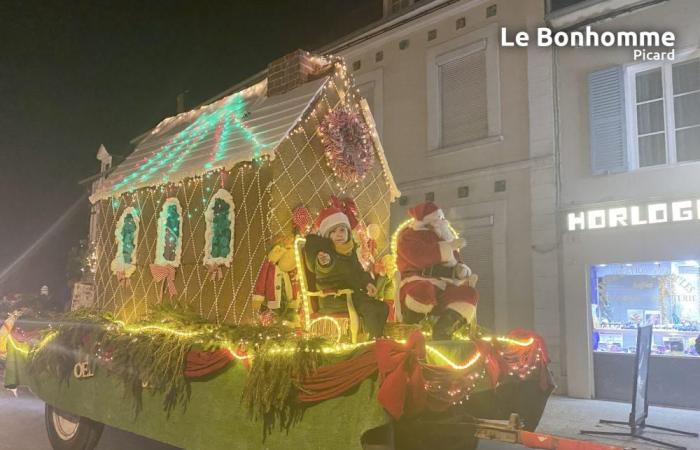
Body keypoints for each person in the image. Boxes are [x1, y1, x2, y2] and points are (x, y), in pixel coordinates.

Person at [396, 201, 479, 340]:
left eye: (441, 218)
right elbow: (420, 257)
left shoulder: (444, 236)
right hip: (418, 280)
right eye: (438, 219)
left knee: (469, 294)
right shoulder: (409, 236)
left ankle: (442, 331)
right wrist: (448, 247)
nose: (442, 221)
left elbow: (457, 262)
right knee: (423, 290)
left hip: (444, 284)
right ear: (428, 221)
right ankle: (414, 332)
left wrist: (460, 270)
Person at [304, 206, 388, 338]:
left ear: (348, 233)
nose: (339, 234)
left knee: (382, 307)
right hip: (334, 298)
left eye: (342, 230)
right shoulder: (327, 252)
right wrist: (324, 262)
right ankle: (373, 340)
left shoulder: (349, 252)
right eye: (333, 231)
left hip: (352, 296)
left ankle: (376, 337)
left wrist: (368, 283)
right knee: (369, 308)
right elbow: (324, 269)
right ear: (327, 235)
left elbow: (359, 272)